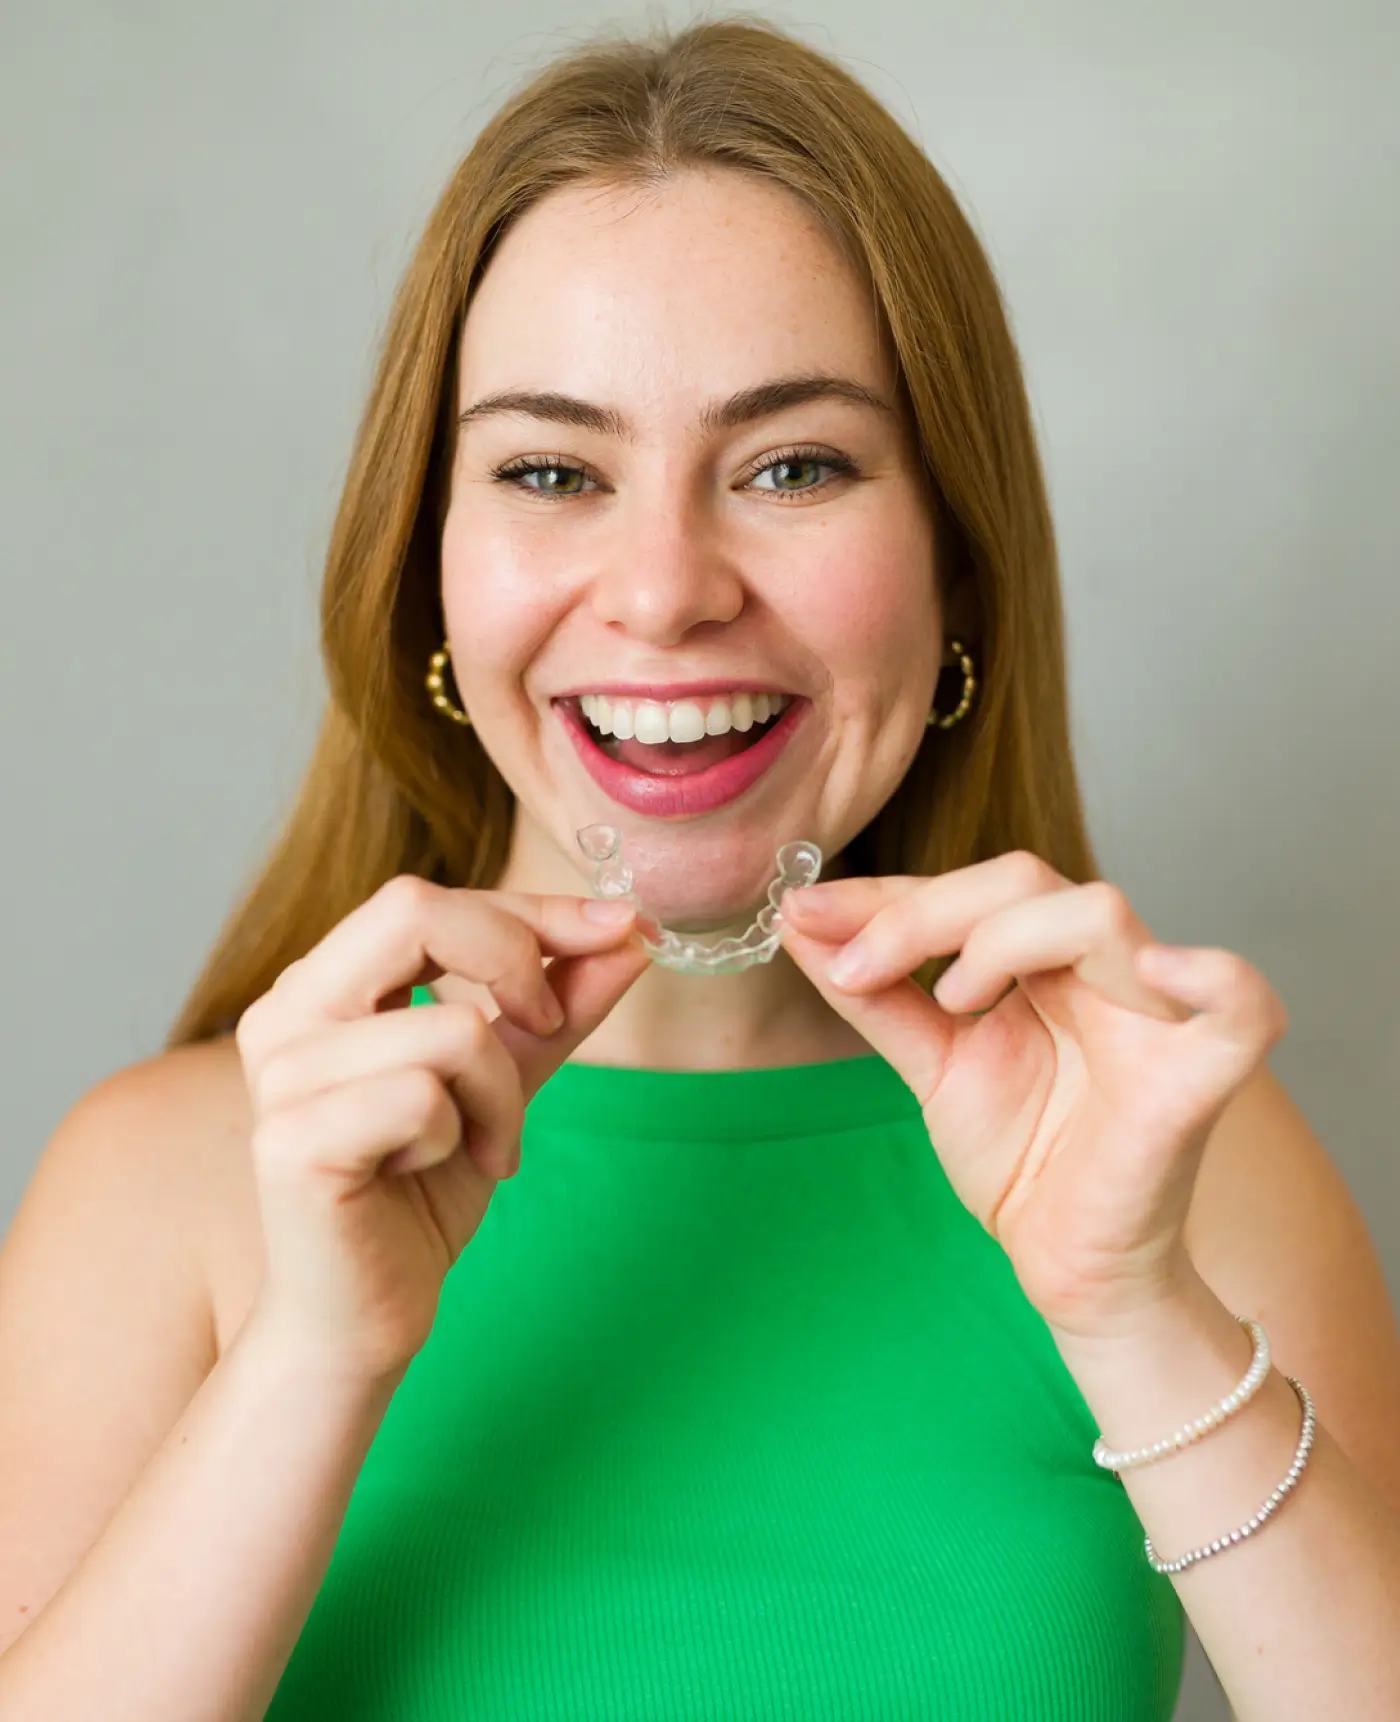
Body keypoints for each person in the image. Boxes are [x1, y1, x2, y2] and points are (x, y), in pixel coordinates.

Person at [3, 16, 1400, 1721]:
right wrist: (319, 1358)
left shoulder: (1192, 1170)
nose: (664, 588)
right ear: (429, 581)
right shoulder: (160, 1183)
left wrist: (1129, 1308)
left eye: (793, 465)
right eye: (551, 470)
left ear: (954, 567)